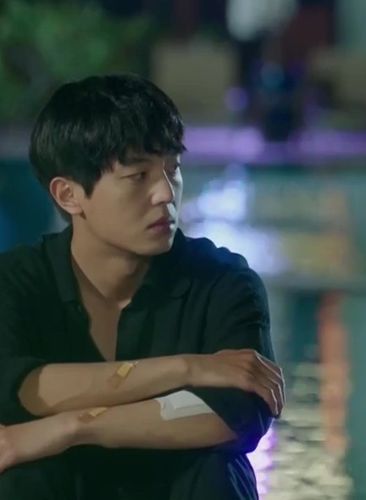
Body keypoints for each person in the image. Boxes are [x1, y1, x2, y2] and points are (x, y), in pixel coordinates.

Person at [0, 74, 284, 499]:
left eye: (173, 169)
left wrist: (75, 426)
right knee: (21, 474)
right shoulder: (16, 281)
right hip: (63, 487)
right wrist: (188, 368)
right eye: (138, 176)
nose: (165, 194)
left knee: (216, 470)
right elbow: (18, 387)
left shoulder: (222, 281)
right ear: (69, 195)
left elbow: (236, 413)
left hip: (177, 486)